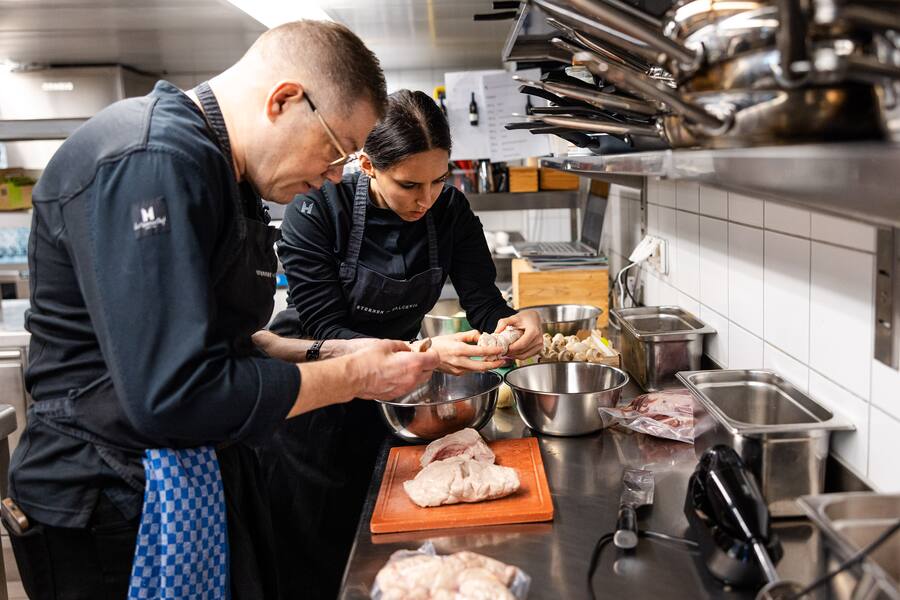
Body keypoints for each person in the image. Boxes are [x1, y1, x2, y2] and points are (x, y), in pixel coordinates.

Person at [5, 21, 438, 600]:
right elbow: (175, 394)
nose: (334, 176)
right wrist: (356, 376)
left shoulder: (224, 174)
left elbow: (231, 341)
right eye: (337, 152)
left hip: (185, 479)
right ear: (284, 101)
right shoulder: (151, 161)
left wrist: (336, 349)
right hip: (113, 506)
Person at [259, 89, 543, 599]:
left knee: (392, 554)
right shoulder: (317, 209)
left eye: (439, 179)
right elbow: (327, 330)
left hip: (393, 398)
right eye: (410, 184)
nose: (426, 199)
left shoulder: (448, 210)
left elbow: (484, 302)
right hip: (312, 402)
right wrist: (429, 355)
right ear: (367, 164)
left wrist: (514, 323)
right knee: (316, 558)